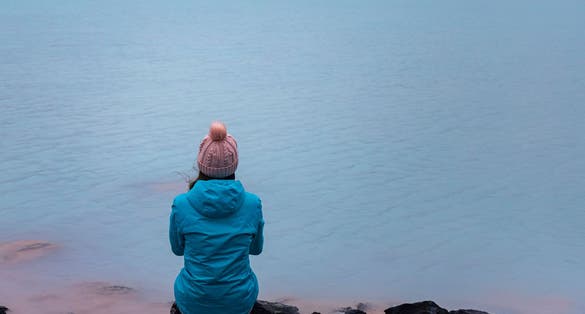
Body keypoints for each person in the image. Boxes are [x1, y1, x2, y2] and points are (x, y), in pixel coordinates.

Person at [169, 121, 264, 314]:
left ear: (201, 163)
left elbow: (178, 249)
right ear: (234, 164)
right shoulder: (252, 204)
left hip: (193, 301)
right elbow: (256, 249)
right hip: (239, 301)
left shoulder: (181, 204)